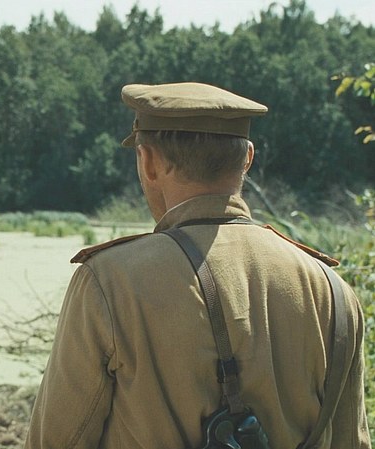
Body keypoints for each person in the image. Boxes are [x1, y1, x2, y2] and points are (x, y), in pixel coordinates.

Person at [25, 82, 370, 449]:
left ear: (148, 161)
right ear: (247, 158)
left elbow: (56, 441)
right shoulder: (332, 290)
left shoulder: (109, 282)